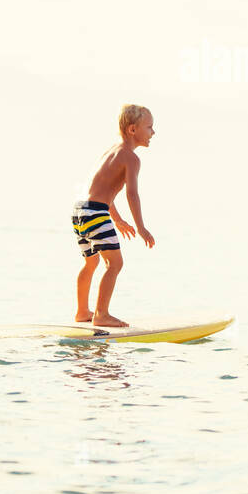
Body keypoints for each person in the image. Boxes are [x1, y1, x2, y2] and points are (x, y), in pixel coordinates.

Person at [71, 104, 156, 327]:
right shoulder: (131, 158)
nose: (153, 133)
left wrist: (117, 220)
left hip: (81, 209)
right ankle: (101, 314)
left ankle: (82, 312)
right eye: (149, 127)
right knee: (115, 264)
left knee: (91, 262)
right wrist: (141, 227)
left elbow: (101, 189)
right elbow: (132, 194)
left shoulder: (110, 152)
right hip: (95, 211)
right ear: (132, 129)